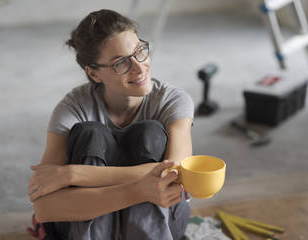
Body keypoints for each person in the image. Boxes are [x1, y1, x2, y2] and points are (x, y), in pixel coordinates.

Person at [27, 9, 194, 240]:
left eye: (140, 52)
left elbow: (174, 173)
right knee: (90, 133)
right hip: (89, 226)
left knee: (150, 132)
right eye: (121, 63)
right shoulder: (73, 107)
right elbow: (45, 209)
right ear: (94, 74)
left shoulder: (173, 100)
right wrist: (139, 188)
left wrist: (72, 174)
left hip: (160, 223)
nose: (139, 67)